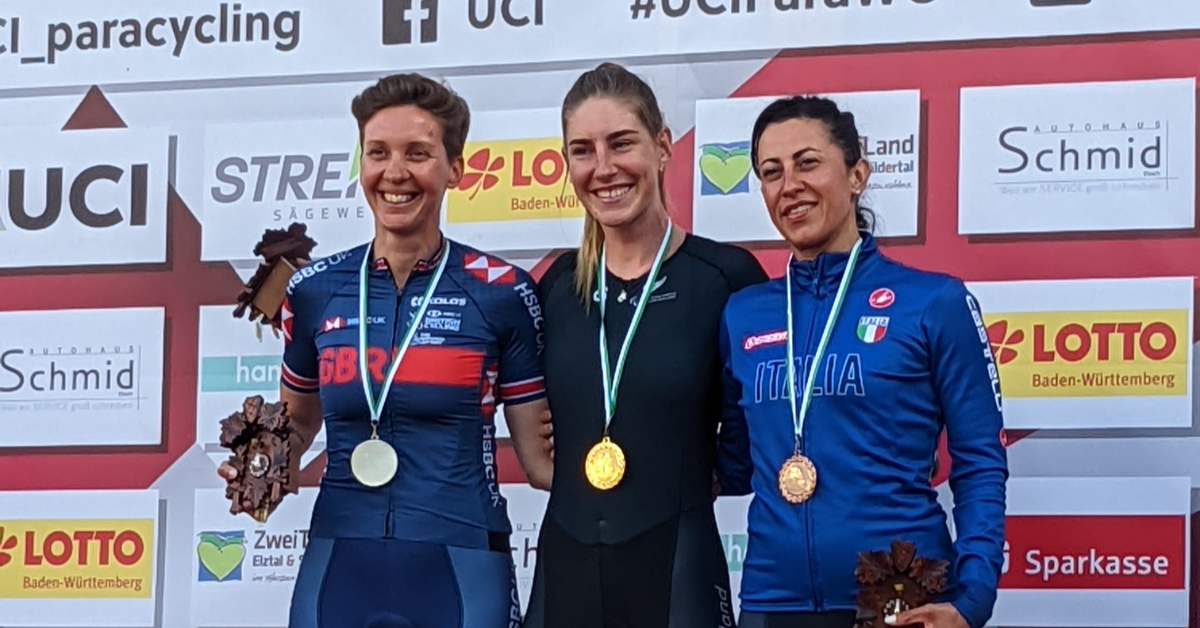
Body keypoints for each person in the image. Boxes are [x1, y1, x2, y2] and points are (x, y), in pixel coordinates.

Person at [218, 73, 554, 628]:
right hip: (340, 560)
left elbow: (542, 463)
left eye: (418, 153)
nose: (394, 173)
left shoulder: (502, 291)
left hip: (460, 561)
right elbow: (298, 425)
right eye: (378, 153)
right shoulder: (315, 290)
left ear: (456, 169)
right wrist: (262, 467)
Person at [718, 96, 1007, 628]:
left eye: (808, 163)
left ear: (857, 174)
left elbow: (980, 460)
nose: (789, 185)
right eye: (770, 172)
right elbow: (731, 458)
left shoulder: (932, 302)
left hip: (902, 597)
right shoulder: (744, 313)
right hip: (771, 600)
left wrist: (972, 601)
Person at [522, 62, 767, 628]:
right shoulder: (555, 285)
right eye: (582, 150)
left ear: (662, 147)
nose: (603, 168)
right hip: (565, 570)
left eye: (621, 143)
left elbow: (758, 427)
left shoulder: (725, 277)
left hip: (678, 568)